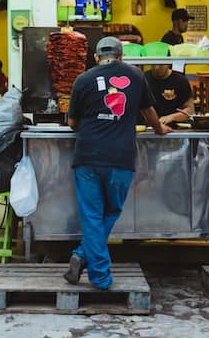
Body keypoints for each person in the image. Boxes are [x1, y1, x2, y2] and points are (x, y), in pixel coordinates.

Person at [64, 36, 172, 289]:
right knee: (111, 211)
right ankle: (88, 263)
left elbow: (72, 123)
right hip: (121, 158)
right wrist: (159, 129)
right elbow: (149, 112)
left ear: (96, 58)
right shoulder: (136, 76)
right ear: (122, 55)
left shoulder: (83, 79)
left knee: (92, 215)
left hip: (88, 157)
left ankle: (91, 264)